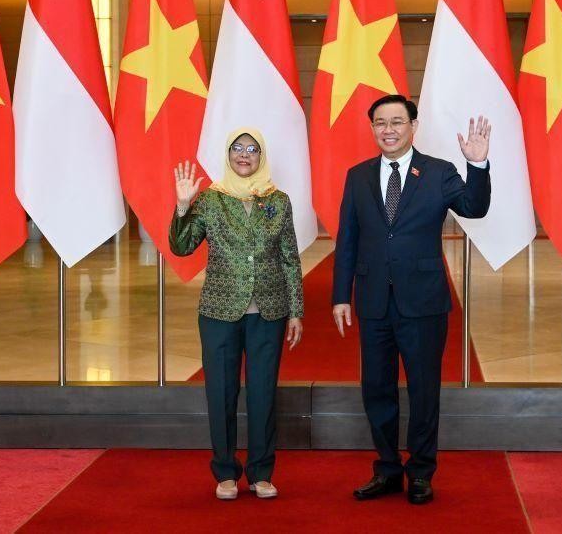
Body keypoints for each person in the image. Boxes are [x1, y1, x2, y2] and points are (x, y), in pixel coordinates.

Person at [332, 94, 491, 505]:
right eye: (380, 123)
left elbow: (474, 207)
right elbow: (347, 239)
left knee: (423, 391)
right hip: (372, 303)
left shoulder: (438, 173)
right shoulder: (358, 176)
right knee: (376, 389)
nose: (388, 129)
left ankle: (421, 472)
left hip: (423, 303)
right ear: (372, 129)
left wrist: (477, 165)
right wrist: (340, 297)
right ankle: (387, 469)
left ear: (413, 126)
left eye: (397, 122)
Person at [169, 128, 304, 501]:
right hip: (219, 311)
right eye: (237, 149)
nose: (244, 155)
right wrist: (183, 207)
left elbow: (290, 259)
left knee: (262, 393)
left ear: (262, 156)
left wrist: (295, 311)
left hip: (269, 311)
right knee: (221, 392)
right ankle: (226, 472)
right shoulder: (212, 200)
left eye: (252, 149)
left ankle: (261, 472)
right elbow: (182, 247)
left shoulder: (279, 200)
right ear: (228, 155)